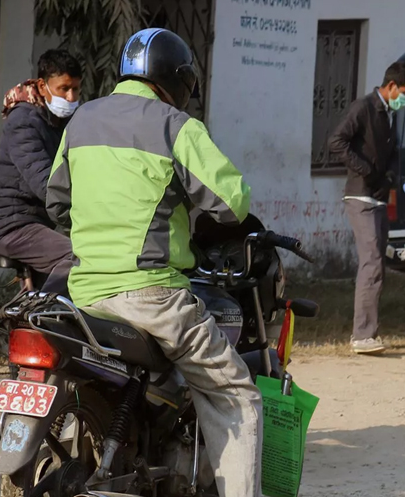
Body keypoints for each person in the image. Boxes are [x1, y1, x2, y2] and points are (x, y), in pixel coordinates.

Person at [46, 28, 261, 497]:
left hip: (82, 296)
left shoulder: (80, 122)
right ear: (174, 80)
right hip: (152, 298)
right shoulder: (176, 126)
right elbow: (233, 203)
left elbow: (57, 205)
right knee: (236, 395)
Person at [328, 61, 405, 355]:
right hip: (361, 198)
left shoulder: (389, 114)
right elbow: (336, 141)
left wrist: (391, 174)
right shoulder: (364, 108)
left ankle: (369, 332)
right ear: (392, 86)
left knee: (379, 261)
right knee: (372, 263)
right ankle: (362, 336)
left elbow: (392, 153)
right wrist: (365, 170)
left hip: (378, 198)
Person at [0, 49, 82, 294]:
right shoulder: (24, 121)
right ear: (42, 85)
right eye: (64, 88)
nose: (71, 97)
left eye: (76, 90)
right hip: (12, 224)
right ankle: (43, 314)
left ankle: (35, 320)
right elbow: (46, 183)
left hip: (36, 224)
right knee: (77, 259)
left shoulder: (56, 121)